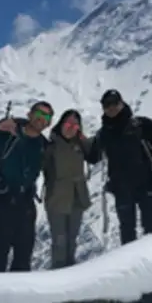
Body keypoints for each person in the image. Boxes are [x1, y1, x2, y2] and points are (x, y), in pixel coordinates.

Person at [0, 101, 53, 273]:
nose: (41, 119)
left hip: (27, 205)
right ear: (29, 114)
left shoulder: (44, 146)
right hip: (4, 201)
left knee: (23, 259)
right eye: (38, 113)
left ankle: (17, 298)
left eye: (46, 116)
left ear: (49, 123)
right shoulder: (10, 132)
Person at [91, 89, 152, 245]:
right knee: (127, 230)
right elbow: (93, 156)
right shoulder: (103, 134)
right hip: (121, 188)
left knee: (151, 226)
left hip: (145, 183)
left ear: (122, 103)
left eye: (115, 103)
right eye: (107, 105)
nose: (111, 108)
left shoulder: (139, 124)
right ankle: (130, 267)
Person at [42, 109, 98, 269]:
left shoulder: (80, 145)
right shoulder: (50, 147)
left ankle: (70, 274)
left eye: (75, 125)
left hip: (77, 197)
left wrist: (84, 140)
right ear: (60, 124)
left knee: (72, 239)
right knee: (59, 241)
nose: (71, 127)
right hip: (57, 199)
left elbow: (95, 155)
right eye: (68, 123)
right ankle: (58, 274)